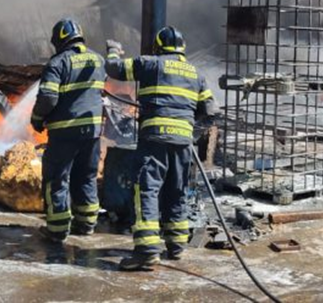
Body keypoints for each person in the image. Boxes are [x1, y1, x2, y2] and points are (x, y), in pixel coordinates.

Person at [105, 26, 214, 271]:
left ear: (158, 46)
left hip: (154, 139)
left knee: (146, 190)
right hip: (183, 142)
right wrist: (190, 133)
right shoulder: (196, 73)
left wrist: (113, 50)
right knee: (176, 190)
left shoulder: (151, 64)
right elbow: (210, 112)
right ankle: (175, 246)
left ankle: (146, 252)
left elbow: (114, 69)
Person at [30, 18, 106, 243]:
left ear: (59, 40)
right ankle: (87, 223)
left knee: (57, 178)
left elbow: (48, 98)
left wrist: (37, 119)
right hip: (92, 131)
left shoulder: (58, 63)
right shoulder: (98, 59)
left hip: (65, 132)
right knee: (86, 176)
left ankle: (57, 228)